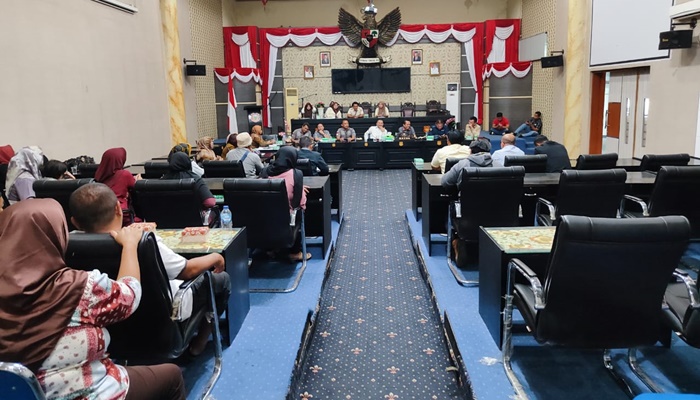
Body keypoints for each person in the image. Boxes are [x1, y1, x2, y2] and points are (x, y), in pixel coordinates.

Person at [0, 198, 186, 400]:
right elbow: (129, 295)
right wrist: (130, 246)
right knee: (173, 376)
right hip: (86, 392)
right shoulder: (78, 287)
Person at [69, 183, 231, 358]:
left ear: (74, 221)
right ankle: (200, 340)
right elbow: (188, 271)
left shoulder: (67, 245)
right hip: (159, 323)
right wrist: (216, 257)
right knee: (221, 279)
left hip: (106, 325)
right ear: (118, 208)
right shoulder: (143, 242)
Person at [260, 147, 311, 262]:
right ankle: (295, 252)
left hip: (264, 218)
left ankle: (270, 249)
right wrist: (299, 189)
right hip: (287, 219)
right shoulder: (296, 174)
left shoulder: (264, 172)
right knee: (300, 212)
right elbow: (300, 203)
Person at [95, 147, 141, 226]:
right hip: (122, 215)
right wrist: (139, 181)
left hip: (102, 215)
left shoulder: (98, 175)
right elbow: (136, 186)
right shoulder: (124, 174)